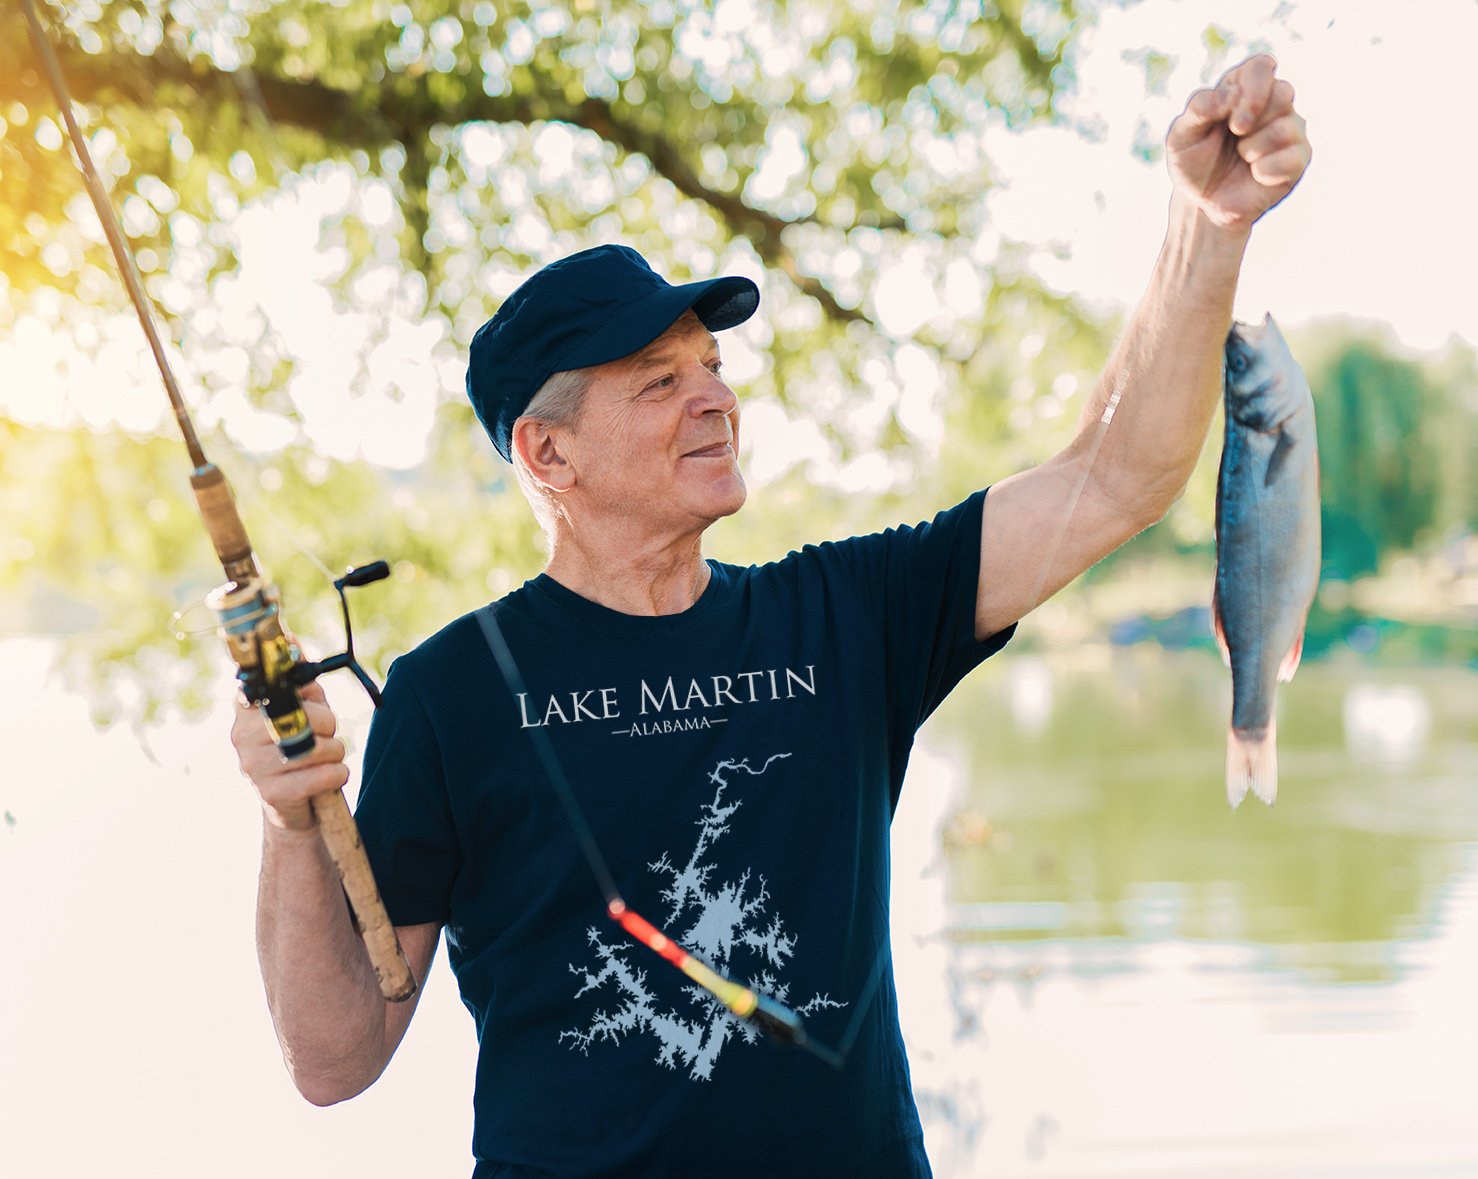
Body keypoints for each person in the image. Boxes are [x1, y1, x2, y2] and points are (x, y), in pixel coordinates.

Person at [234, 54, 1310, 1178]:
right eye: (657, 380)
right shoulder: (451, 691)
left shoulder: (846, 616)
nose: (715, 398)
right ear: (546, 452)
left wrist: (1205, 223)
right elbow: (334, 1057)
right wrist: (290, 822)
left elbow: (1118, 474)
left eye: (709, 365)